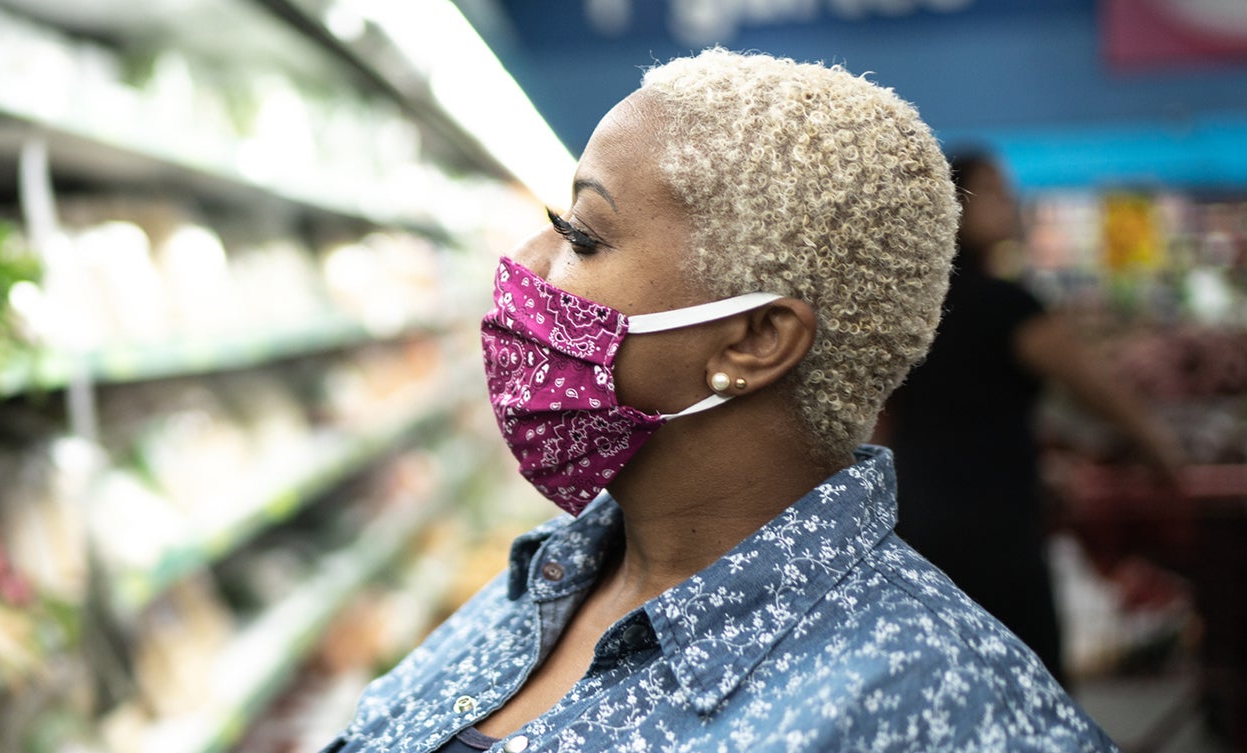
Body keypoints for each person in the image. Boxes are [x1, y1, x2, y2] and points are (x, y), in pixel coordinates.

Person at [321, 49, 1115, 752]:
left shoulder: (946, 705)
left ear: (755, 340)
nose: (524, 262)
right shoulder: (551, 577)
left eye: (582, 234)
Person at [882, 151, 1185, 687]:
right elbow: (1093, 386)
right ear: (953, 206)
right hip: (994, 521)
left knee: (946, 677)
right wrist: (1159, 448)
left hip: (919, 516)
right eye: (993, 191)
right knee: (1029, 675)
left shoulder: (906, 306)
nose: (1010, 202)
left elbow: (890, 415)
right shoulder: (1005, 304)